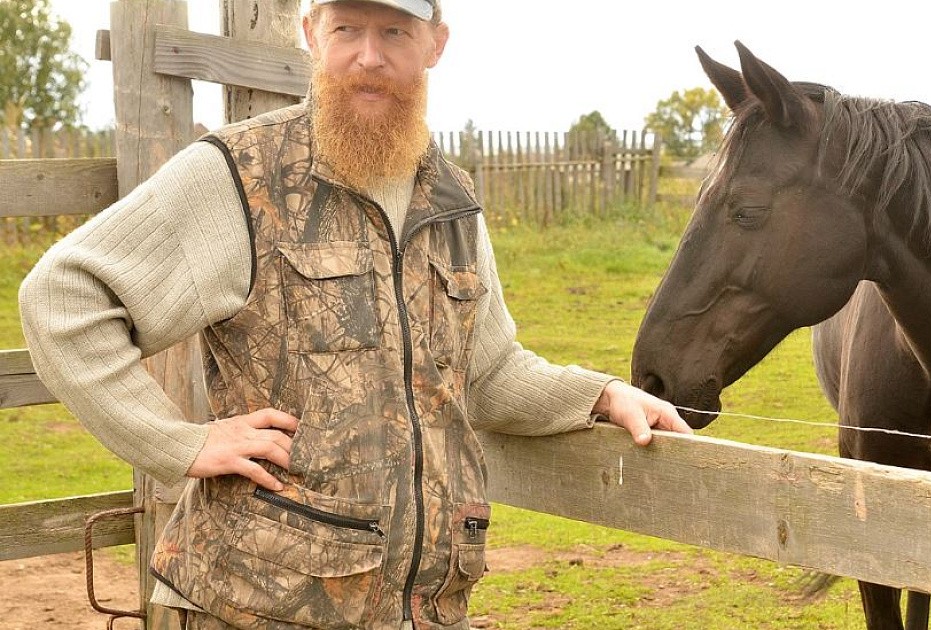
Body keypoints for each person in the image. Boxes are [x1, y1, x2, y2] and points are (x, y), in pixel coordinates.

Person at [18, 0, 692, 628]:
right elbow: (63, 297)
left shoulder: (452, 197)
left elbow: (485, 373)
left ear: (436, 45)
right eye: (347, 30)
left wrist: (599, 394)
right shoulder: (241, 173)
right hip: (251, 607)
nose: (370, 56)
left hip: (417, 610)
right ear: (312, 35)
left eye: (395, 31)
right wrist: (179, 442)